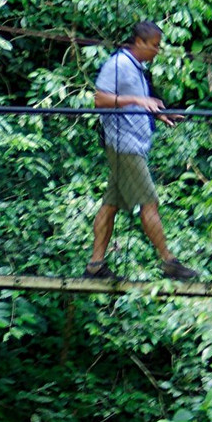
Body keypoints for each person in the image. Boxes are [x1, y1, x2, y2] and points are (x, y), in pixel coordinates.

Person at [84, 20, 196, 280]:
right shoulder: (119, 64)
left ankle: (95, 266)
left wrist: (158, 114)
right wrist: (137, 99)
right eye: (154, 45)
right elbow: (100, 100)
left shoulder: (137, 68)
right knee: (149, 203)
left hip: (132, 144)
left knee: (110, 205)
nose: (157, 50)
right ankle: (169, 262)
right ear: (140, 42)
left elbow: (137, 105)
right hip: (125, 146)